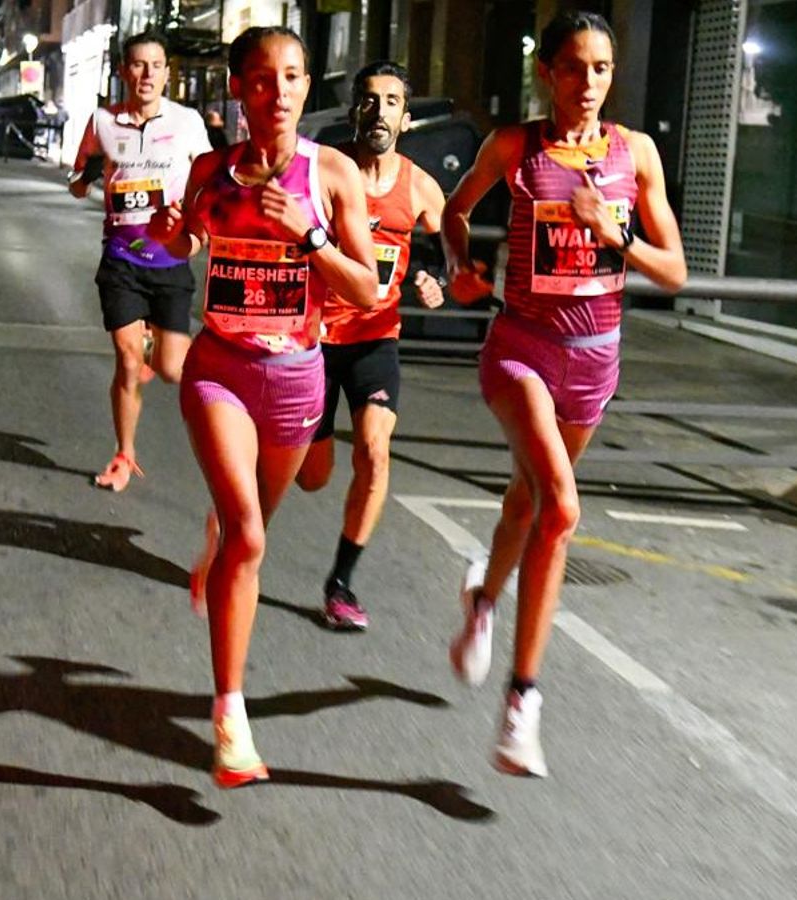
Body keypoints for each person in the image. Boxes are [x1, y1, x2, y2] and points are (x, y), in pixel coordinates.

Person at [439, 11, 687, 777]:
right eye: (574, 67)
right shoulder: (515, 147)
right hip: (521, 351)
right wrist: (461, 267)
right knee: (562, 507)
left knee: (527, 502)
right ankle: (523, 702)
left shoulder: (635, 154)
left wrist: (615, 234)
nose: (588, 82)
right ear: (546, 72)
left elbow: (675, 270)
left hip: (594, 361)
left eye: (602, 68)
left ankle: (482, 602)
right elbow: (454, 211)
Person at [146, 26, 377, 788]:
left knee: (248, 530)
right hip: (220, 367)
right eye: (262, 79)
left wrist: (308, 236)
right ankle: (230, 716)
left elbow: (366, 289)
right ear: (239, 89)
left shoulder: (332, 174)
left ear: (308, 87)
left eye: (293, 77)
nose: (278, 92)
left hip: (296, 377)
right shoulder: (210, 171)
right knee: (249, 535)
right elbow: (182, 242)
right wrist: (169, 234)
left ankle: (218, 539)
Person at [295, 60, 446, 630]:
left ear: (405, 119)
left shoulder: (420, 187)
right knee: (311, 476)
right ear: (354, 111)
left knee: (376, 453)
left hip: (374, 338)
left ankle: (341, 585)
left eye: (391, 102)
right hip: (313, 339)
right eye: (369, 100)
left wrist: (434, 280)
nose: (379, 111)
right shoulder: (324, 172)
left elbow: (443, 254)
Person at [69, 31, 214, 491]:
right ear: (123, 72)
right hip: (121, 258)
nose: (147, 74)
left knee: (171, 370)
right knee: (128, 361)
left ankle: (156, 347)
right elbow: (77, 184)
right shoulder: (102, 122)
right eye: (137, 64)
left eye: (156, 65)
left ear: (168, 73)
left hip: (169, 258)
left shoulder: (187, 122)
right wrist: (87, 175)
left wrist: (192, 222)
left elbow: (209, 185)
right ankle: (124, 454)